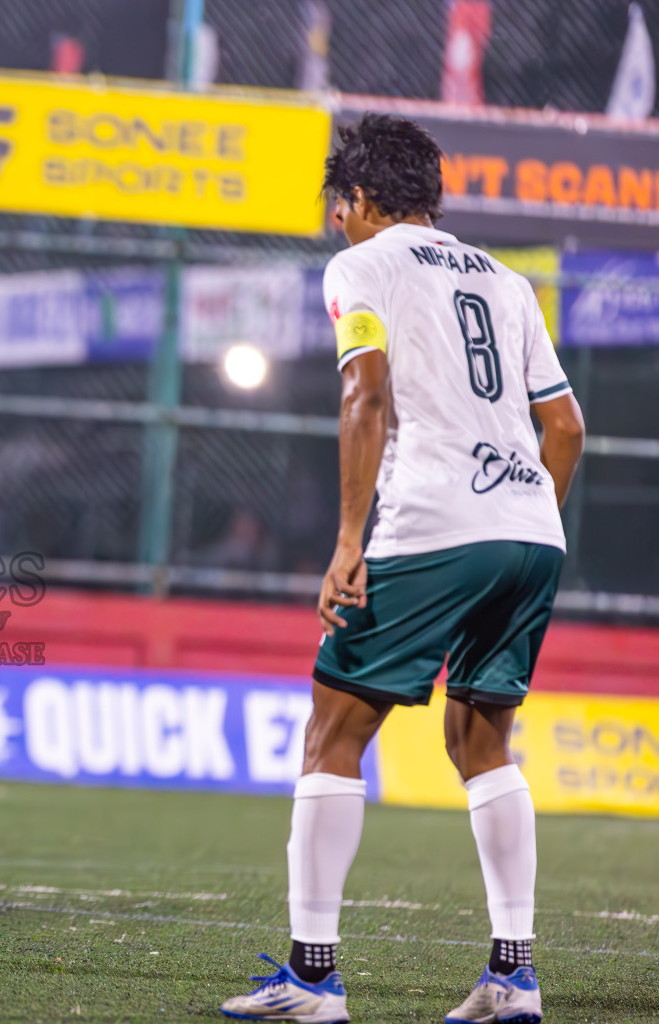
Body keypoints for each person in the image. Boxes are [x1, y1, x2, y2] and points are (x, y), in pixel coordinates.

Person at [220, 114, 584, 1024]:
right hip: (530, 526)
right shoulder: (507, 282)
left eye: (337, 207)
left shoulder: (364, 264)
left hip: (432, 521)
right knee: (480, 742)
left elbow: (365, 392)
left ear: (360, 200)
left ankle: (312, 980)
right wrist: (518, 517)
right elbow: (568, 429)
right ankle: (513, 975)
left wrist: (349, 541)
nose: (337, 224)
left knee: (332, 732)